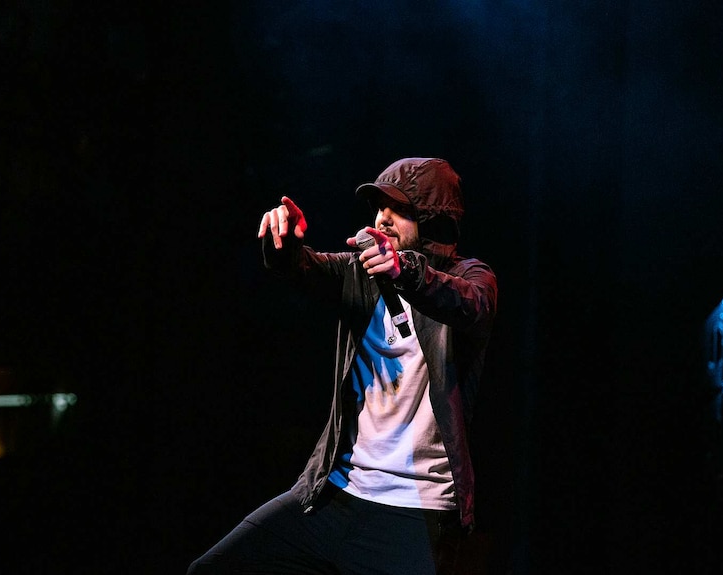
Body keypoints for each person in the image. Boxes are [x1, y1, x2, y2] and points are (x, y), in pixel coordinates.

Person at [187, 157, 498, 575]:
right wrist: (285, 246)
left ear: (432, 219)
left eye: (399, 209)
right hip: (334, 495)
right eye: (378, 207)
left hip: (413, 511)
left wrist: (405, 270)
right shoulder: (359, 272)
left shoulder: (471, 277)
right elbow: (305, 268)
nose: (382, 219)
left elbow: (469, 304)